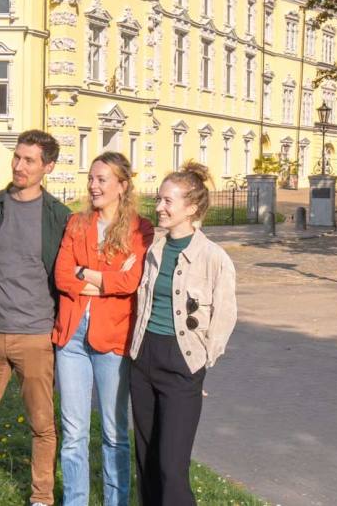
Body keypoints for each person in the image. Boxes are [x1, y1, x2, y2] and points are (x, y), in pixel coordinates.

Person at [128, 162, 238, 506]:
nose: (159, 207)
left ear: (191, 208)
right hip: (143, 358)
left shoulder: (213, 258)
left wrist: (201, 363)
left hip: (182, 362)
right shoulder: (154, 250)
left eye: (167, 201)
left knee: (171, 466)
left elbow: (225, 317)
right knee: (146, 459)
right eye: (159, 200)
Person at [0, 129, 71, 506]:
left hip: (35, 336)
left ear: (47, 167)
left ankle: (41, 497)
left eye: (29, 160)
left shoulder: (59, 217)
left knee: (42, 424)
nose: (19, 165)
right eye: (17, 157)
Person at [53, 152, 153, 506]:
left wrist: (87, 274)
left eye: (102, 180)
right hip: (71, 338)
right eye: (91, 178)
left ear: (122, 186)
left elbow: (131, 281)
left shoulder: (141, 229)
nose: (93, 186)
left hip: (113, 339)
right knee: (73, 432)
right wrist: (98, 279)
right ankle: (75, 501)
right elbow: (62, 275)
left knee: (114, 432)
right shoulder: (77, 224)